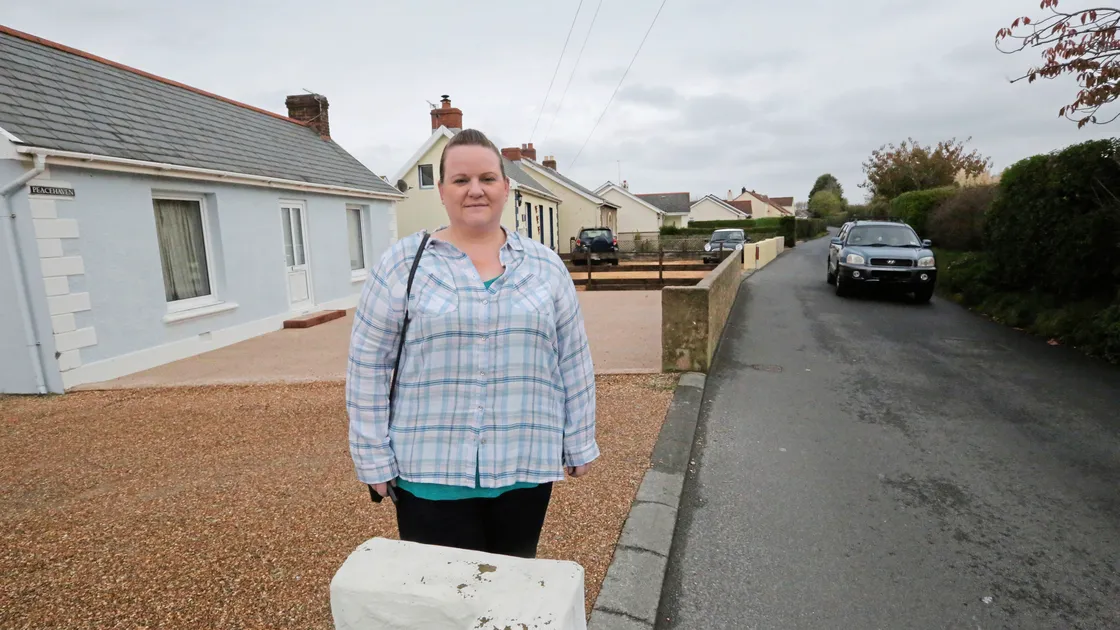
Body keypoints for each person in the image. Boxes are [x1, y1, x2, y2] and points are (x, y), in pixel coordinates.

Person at [346, 128, 598, 559]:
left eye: (487, 178)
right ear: (442, 190)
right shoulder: (403, 263)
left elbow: (572, 359)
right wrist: (372, 455)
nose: (475, 190)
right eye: (461, 180)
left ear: (506, 187)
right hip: (429, 471)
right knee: (439, 591)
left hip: (525, 466)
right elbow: (368, 365)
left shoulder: (545, 266)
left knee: (511, 584)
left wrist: (579, 439)